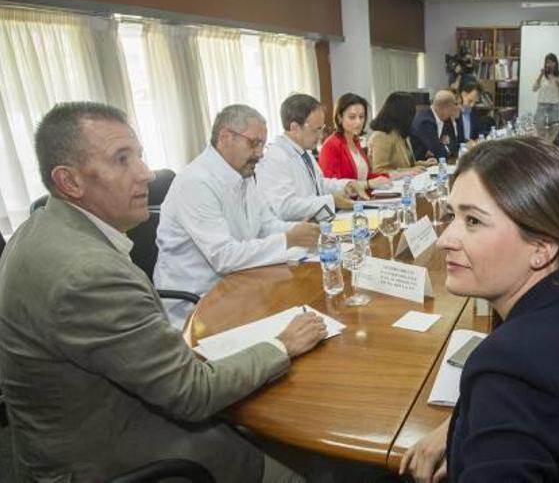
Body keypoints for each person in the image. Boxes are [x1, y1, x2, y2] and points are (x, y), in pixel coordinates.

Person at [0, 102, 327, 482]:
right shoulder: (88, 275)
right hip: (108, 457)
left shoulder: (39, 226)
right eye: (122, 160)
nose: (146, 173)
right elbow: (193, 393)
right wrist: (281, 344)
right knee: (300, 466)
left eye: (139, 155)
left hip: (78, 421)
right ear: (69, 182)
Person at [400, 137, 559, 482]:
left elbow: (525, 388)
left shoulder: (510, 363)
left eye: (473, 221)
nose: (445, 238)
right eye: (452, 215)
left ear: (541, 247)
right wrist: (464, 430)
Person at [154, 104, 320, 328]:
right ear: (225, 137)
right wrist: (289, 239)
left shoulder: (243, 172)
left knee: (308, 312)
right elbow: (224, 257)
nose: (260, 153)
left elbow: (265, 225)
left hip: (241, 283)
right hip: (199, 302)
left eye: (262, 144)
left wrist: (299, 232)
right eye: (254, 143)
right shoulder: (196, 182)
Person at [257, 93, 371, 222]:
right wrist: (331, 200)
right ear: (295, 128)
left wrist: (347, 185)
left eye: (322, 129)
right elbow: (286, 207)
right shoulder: (275, 158)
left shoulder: (304, 152)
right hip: (294, 234)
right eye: (316, 130)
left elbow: (320, 184)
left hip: (316, 225)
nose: (321, 135)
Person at [318, 93, 392, 185]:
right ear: (340, 118)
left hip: (363, 198)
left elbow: (364, 177)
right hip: (346, 199)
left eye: (361, 117)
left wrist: (391, 175)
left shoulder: (355, 141)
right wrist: (368, 184)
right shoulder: (331, 145)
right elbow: (331, 186)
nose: (358, 122)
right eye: (352, 117)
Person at [368, 92, 437, 175]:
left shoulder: (400, 132)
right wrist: (408, 171)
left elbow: (405, 165)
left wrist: (424, 164)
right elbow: (379, 171)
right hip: (389, 185)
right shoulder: (381, 136)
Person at [410, 89, 462, 161]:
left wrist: (442, 148)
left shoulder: (446, 119)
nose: (454, 110)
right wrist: (444, 147)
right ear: (445, 108)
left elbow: (454, 145)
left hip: (436, 163)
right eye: (452, 107)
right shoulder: (425, 121)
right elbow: (438, 152)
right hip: (420, 165)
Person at [532, 52, 559, 126]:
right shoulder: (542, 75)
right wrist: (541, 75)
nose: (549, 64)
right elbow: (534, 88)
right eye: (547, 62)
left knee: (553, 129)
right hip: (542, 105)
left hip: (554, 106)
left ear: (555, 63)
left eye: (552, 62)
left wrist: (558, 83)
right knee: (540, 128)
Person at [456, 78, 486, 143]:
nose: (472, 105)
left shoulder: (474, 112)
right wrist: (467, 143)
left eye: (475, 102)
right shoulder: (452, 113)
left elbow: (479, 133)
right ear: (463, 94)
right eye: (470, 101)